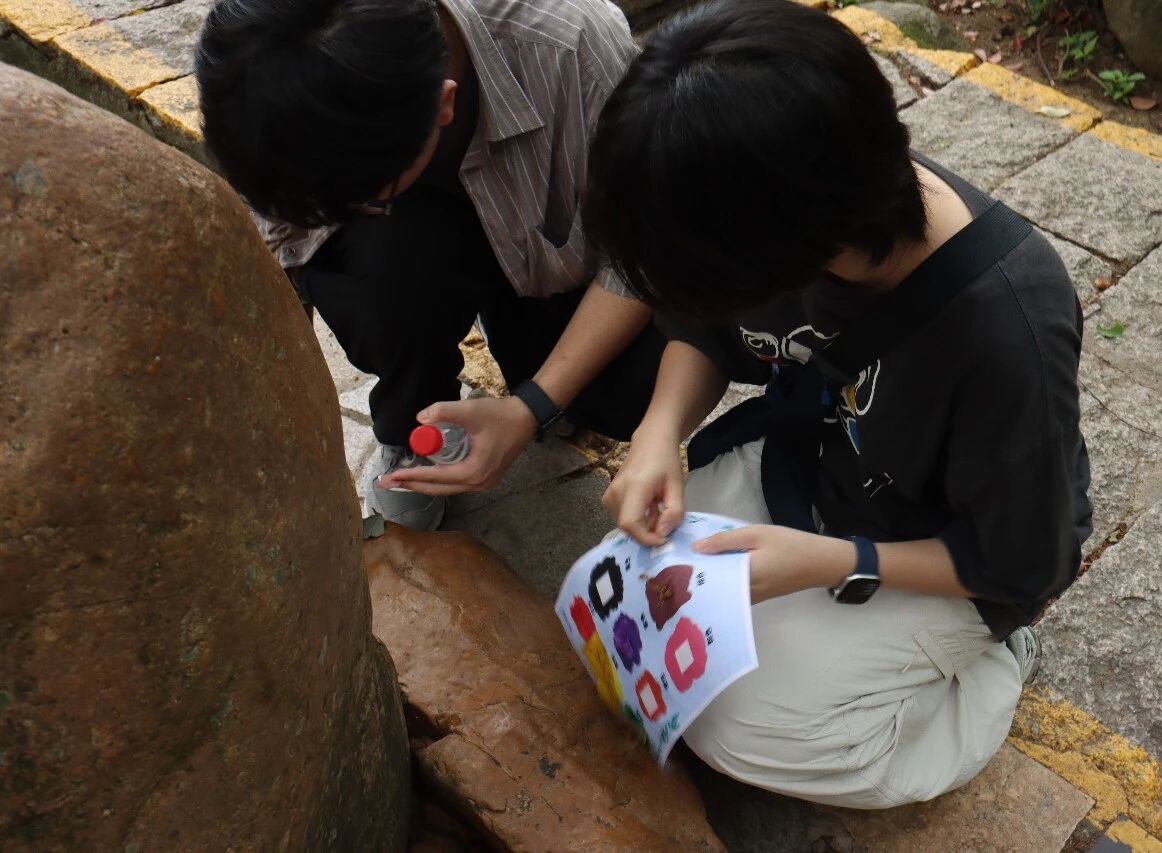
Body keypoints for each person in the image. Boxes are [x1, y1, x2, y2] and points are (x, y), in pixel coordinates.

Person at [583, 0, 1092, 808]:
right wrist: (657, 435)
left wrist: (835, 561)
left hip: (951, 554)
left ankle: (991, 674)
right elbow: (705, 332)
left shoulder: (1005, 331)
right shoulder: (789, 191)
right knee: (623, 608)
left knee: (743, 730)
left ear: (796, 253)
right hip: (818, 465)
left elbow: (1025, 563)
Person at [195, 0, 663, 530]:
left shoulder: (574, 47)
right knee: (383, 270)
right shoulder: (262, 66)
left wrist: (531, 405)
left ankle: (531, 360)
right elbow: (276, 255)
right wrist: (289, 436)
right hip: (420, 238)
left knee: (625, 390)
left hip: (545, 261)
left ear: (445, 103)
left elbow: (645, 254)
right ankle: (413, 428)